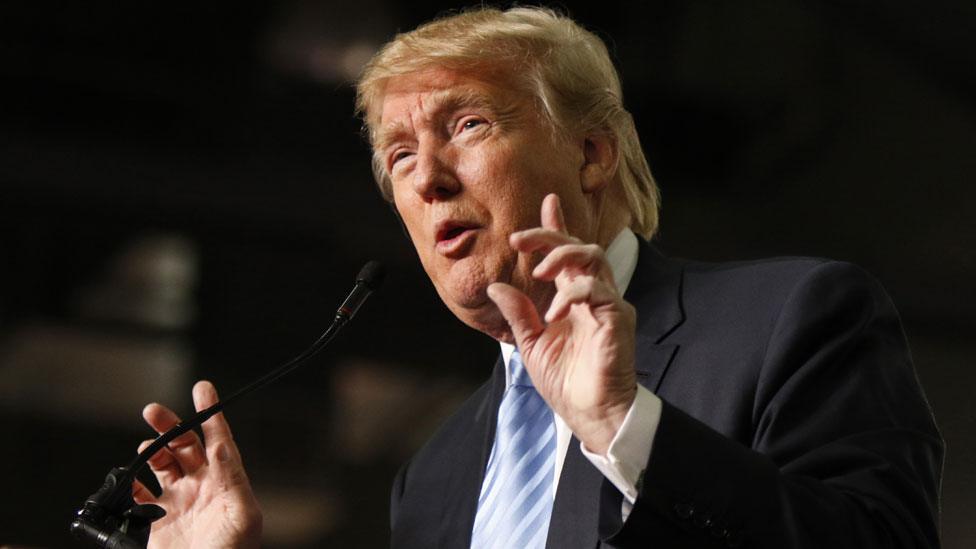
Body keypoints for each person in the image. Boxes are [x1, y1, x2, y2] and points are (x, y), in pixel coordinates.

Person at [134, 7, 943, 548]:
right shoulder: (434, 475)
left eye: (470, 125)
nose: (428, 180)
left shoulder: (788, 319)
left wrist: (628, 425)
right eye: (401, 156)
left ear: (592, 153)